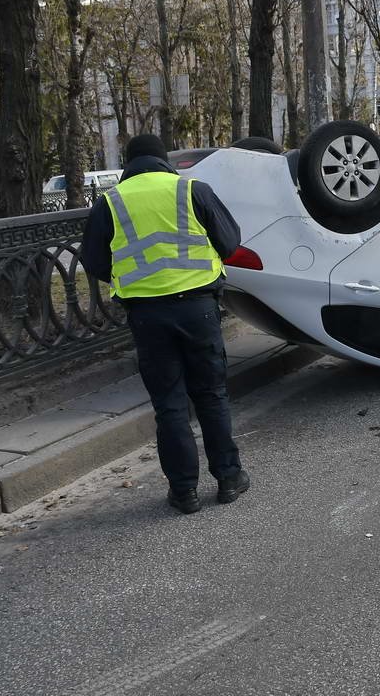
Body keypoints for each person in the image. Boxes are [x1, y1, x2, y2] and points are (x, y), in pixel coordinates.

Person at [79, 134, 248, 515]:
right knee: (211, 395)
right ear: (163, 159)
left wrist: (135, 280)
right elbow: (230, 241)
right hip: (199, 308)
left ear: (128, 163)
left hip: (147, 315)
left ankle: (184, 492)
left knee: (169, 405)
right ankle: (228, 479)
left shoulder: (110, 202)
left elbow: (94, 261)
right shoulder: (193, 190)